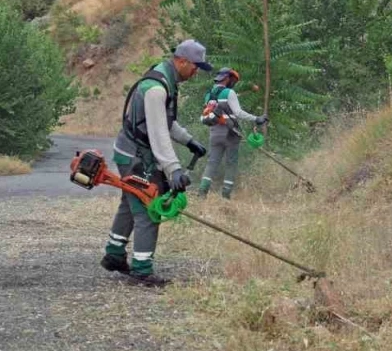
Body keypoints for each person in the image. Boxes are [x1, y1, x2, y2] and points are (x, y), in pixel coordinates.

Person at [101, 39, 212, 287]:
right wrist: (174, 170)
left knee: (130, 201)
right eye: (195, 66)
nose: (196, 72)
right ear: (181, 61)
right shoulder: (156, 89)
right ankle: (142, 270)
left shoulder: (165, 80)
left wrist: (189, 141)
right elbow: (158, 132)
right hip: (134, 156)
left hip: (130, 151)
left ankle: (114, 254)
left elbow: (166, 122)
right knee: (148, 206)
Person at [196, 68, 267, 200]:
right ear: (227, 79)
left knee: (212, 162)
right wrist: (256, 118)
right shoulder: (229, 92)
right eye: (233, 80)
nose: (234, 83)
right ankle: (226, 194)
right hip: (230, 133)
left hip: (214, 133)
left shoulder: (209, 94)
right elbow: (238, 113)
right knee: (231, 163)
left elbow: (211, 113)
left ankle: (202, 192)